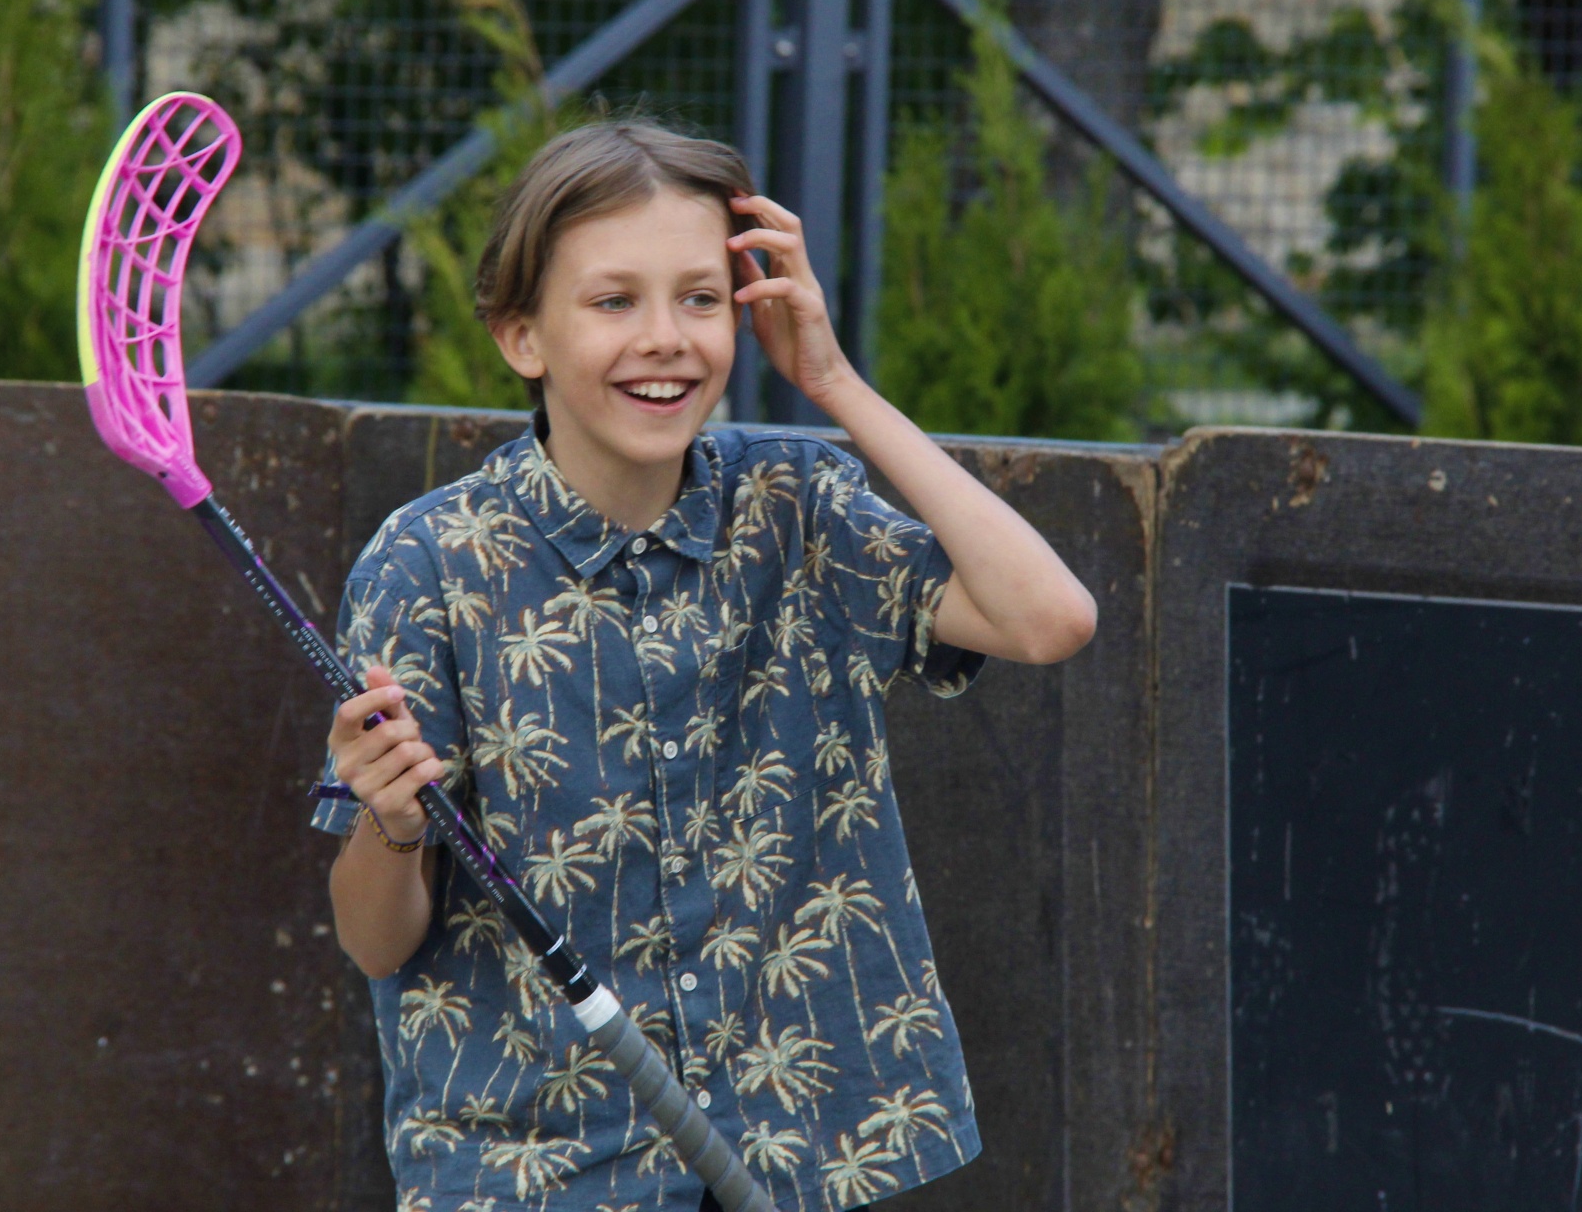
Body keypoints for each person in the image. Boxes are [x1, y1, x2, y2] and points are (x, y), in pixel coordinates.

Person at [314, 119, 1098, 1210]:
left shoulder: (799, 503)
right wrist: (392, 823)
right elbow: (374, 941)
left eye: (699, 298)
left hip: (801, 1150)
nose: (665, 339)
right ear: (521, 336)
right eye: (612, 301)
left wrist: (833, 381)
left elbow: (1051, 617)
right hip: (535, 1167)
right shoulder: (427, 563)